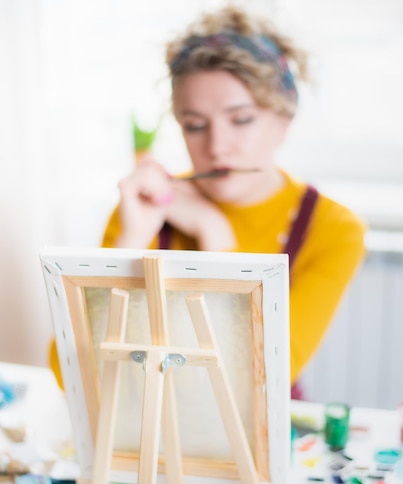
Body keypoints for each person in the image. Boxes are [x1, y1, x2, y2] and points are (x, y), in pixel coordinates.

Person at [50, 5, 366, 396]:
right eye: (195, 125)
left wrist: (215, 235)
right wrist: (131, 239)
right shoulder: (148, 206)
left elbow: (258, 381)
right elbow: (67, 373)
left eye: (241, 119)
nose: (217, 147)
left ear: (283, 121)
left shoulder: (335, 229)